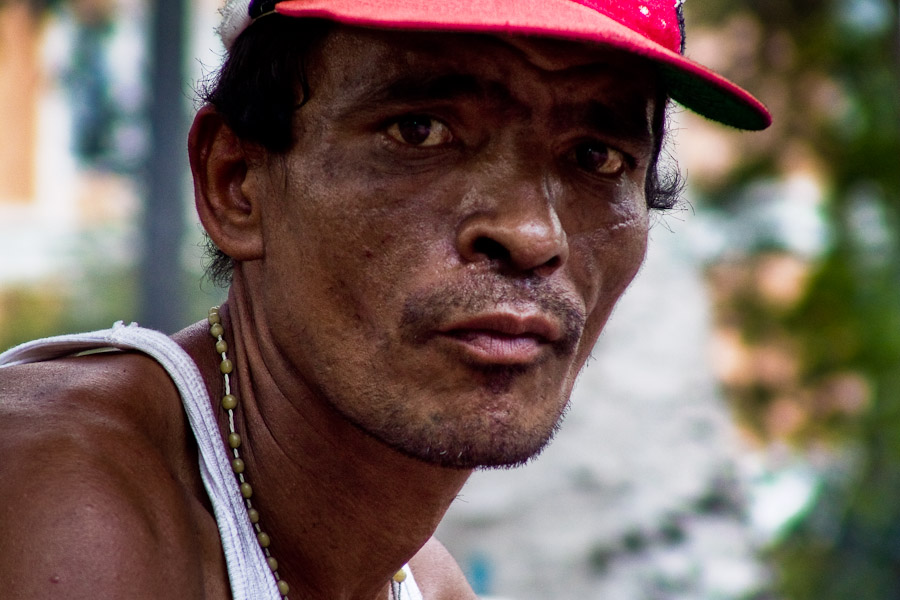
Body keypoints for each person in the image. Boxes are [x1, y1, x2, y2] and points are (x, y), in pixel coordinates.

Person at [0, 0, 770, 598]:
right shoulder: (62, 504)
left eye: (596, 156)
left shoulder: (420, 582)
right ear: (235, 182)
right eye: (419, 131)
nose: (532, 233)